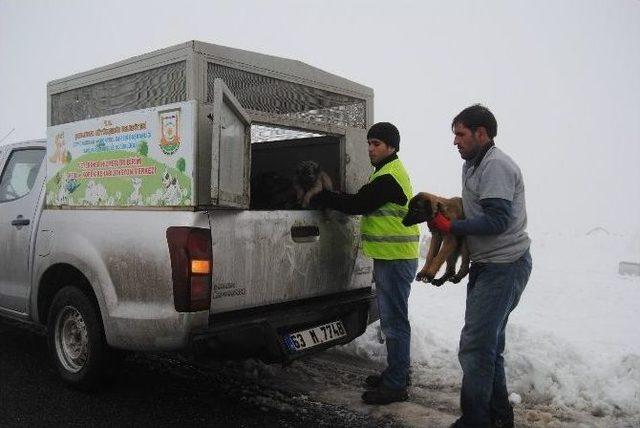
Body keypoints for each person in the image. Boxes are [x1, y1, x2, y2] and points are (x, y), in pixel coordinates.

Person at [428, 104, 532, 428]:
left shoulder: (496, 166)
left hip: (504, 267)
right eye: (454, 135)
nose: (455, 141)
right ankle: (499, 419)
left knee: (475, 347)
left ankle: (475, 421)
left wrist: (451, 228)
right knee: (489, 348)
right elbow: (472, 213)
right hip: (487, 267)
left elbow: (497, 220)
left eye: (460, 134)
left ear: (481, 134)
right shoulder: (472, 165)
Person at [312, 122, 420, 405]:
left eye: (377, 144)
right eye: (369, 143)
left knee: (395, 322)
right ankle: (397, 372)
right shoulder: (385, 173)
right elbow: (361, 201)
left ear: (392, 147)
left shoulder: (389, 177)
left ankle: (396, 384)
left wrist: (322, 196)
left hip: (396, 260)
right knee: (393, 319)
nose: (370, 149)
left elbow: (358, 204)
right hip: (391, 258)